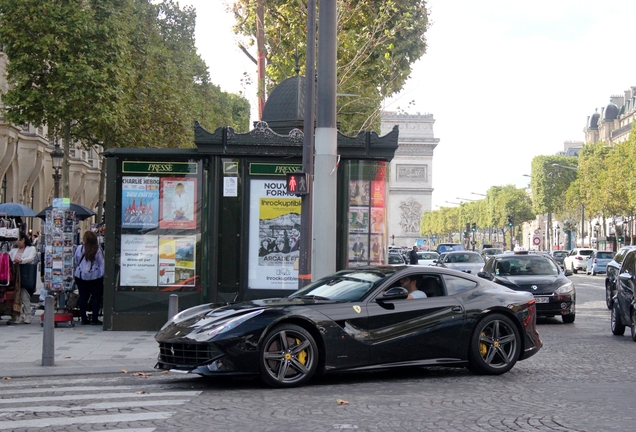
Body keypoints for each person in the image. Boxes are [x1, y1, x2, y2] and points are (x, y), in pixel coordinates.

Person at [74, 231, 105, 325]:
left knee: (83, 296)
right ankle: (94, 318)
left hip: (80, 276)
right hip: (95, 277)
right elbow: (102, 263)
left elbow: (76, 261)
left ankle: (84, 317)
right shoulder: (98, 249)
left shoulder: (79, 248)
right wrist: (102, 275)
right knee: (96, 296)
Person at [8, 231, 38, 324]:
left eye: (18, 240)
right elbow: (9, 260)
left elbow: (31, 258)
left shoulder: (31, 248)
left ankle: (27, 315)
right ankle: (18, 315)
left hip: (25, 274)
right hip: (15, 275)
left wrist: (20, 261)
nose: (17, 243)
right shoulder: (13, 250)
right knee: (17, 296)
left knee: (25, 296)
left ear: (23, 240)